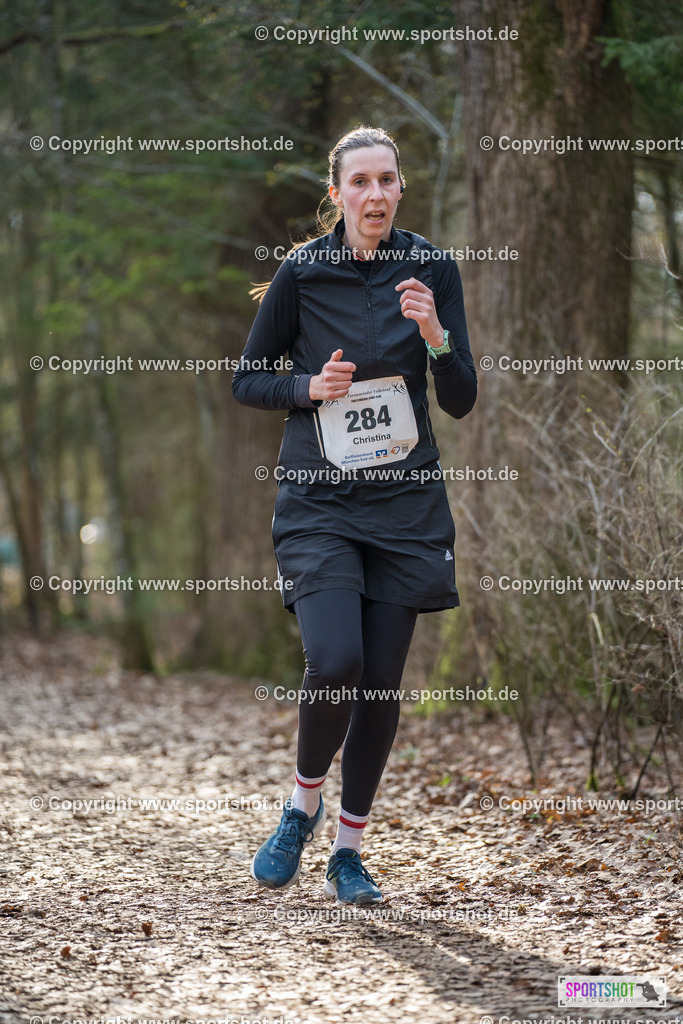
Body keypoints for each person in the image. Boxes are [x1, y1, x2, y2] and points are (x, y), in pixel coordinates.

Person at [232, 125, 477, 906]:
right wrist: (309, 389)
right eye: (359, 182)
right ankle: (301, 806)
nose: (374, 194)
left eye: (386, 180)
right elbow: (248, 379)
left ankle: (348, 851)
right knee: (334, 660)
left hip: (405, 504)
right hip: (319, 500)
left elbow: (461, 397)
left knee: (378, 682)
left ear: (400, 188)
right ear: (335, 193)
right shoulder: (303, 273)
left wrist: (436, 337)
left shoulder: (431, 268)